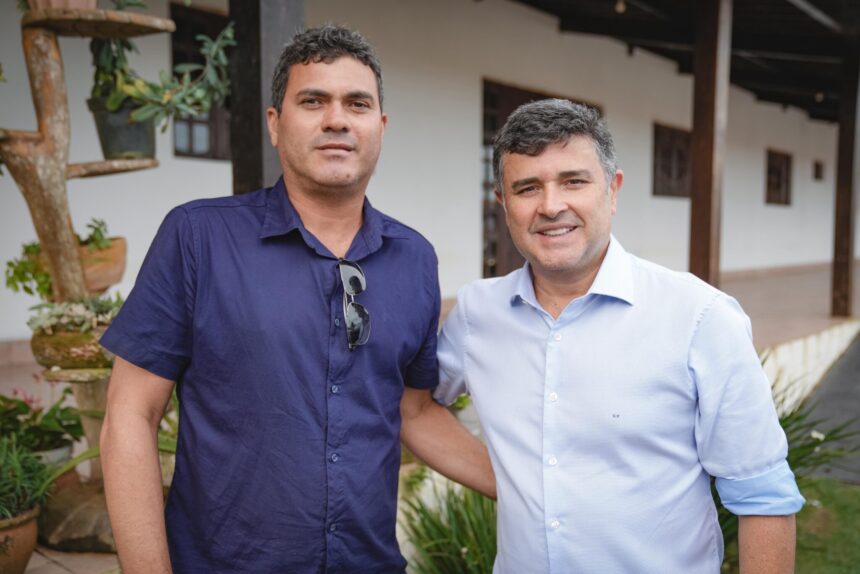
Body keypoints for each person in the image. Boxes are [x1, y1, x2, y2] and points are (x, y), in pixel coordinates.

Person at [99, 25, 493, 574]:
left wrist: (537, 492)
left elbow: (415, 410)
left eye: (357, 103)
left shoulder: (414, 259)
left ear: (380, 127)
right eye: (313, 101)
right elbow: (130, 416)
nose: (337, 119)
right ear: (274, 123)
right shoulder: (199, 238)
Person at [434, 99, 804, 574]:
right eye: (527, 188)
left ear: (613, 190)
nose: (551, 206)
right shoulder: (477, 314)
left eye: (574, 181)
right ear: (503, 204)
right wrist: (515, 483)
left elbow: (762, 496)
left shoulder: (700, 317)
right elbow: (412, 405)